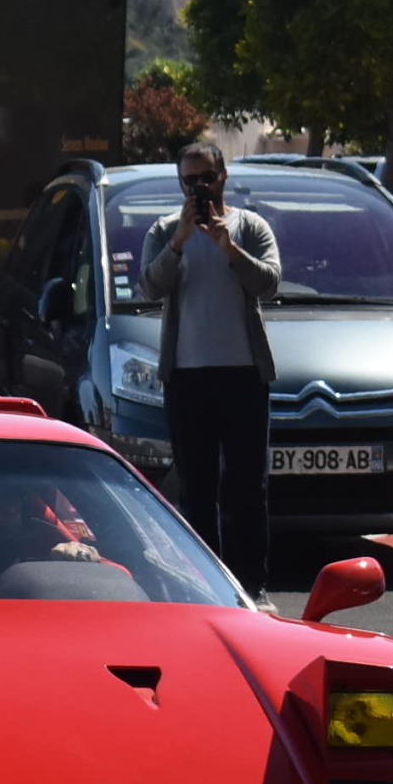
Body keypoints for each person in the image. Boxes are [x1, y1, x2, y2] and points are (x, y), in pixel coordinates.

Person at [139, 140, 282, 602]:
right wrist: (180, 241)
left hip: (243, 373)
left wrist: (228, 246)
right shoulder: (164, 230)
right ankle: (205, 585)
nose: (199, 187)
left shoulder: (250, 226)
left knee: (247, 486)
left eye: (206, 177)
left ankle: (251, 586)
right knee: (197, 488)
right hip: (188, 376)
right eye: (190, 180)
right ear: (179, 184)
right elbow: (148, 287)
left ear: (223, 176)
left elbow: (269, 282)